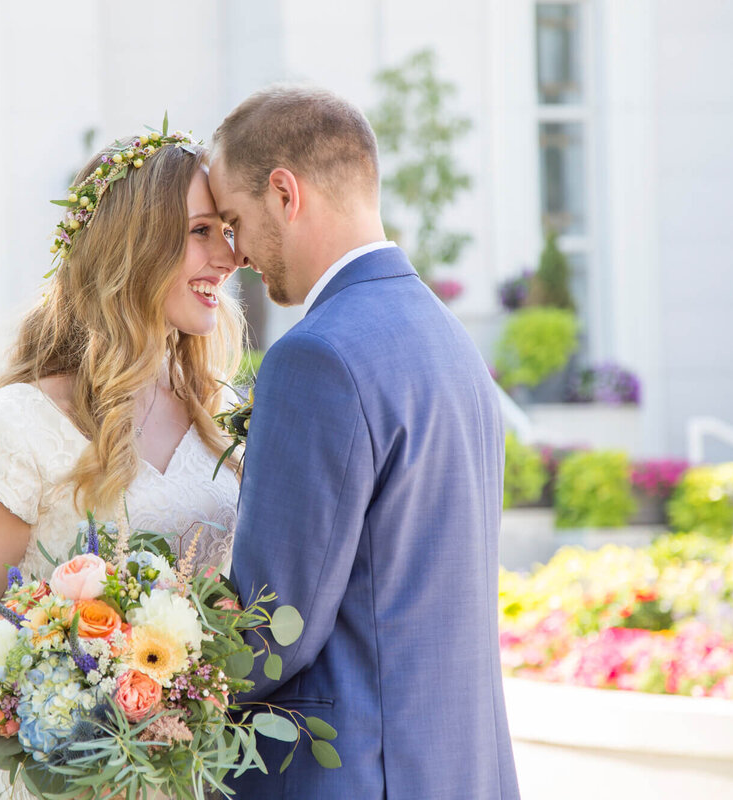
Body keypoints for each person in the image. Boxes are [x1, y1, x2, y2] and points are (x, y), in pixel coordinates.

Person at [209, 86, 521, 799]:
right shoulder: (450, 339)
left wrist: (128, 667)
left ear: (284, 193)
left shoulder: (315, 357)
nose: (235, 253)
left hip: (355, 774)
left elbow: (270, 630)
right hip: (461, 769)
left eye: (234, 220)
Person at [0, 128, 243, 799]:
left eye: (229, 230)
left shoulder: (223, 421)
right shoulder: (15, 430)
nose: (228, 255)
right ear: (132, 248)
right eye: (201, 232)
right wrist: (71, 702)